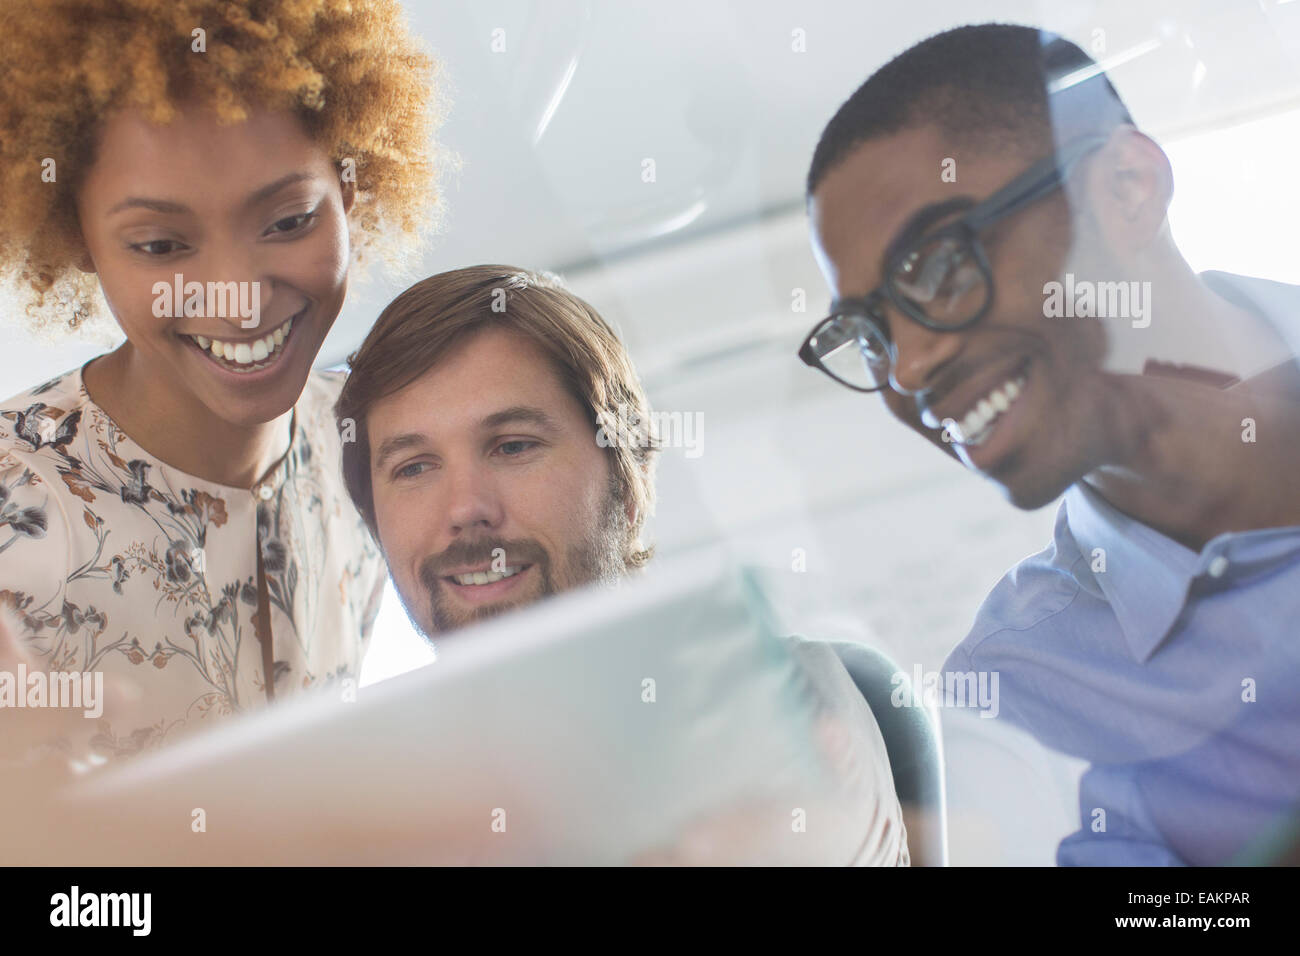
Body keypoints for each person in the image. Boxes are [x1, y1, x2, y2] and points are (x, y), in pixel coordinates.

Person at [802, 22, 1300, 864]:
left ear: (1127, 190)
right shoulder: (1018, 702)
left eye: (937, 264)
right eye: (869, 332)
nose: (912, 367)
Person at [334, 264, 912, 865]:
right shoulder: (358, 796)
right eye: (414, 468)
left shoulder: (777, 702)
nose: (465, 509)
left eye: (513, 446)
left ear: (627, 483)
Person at [0, 0, 441, 774]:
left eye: (289, 220)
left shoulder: (381, 440)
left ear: (354, 186)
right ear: (77, 238)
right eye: (162, 244)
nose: (237, 295)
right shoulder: (14, 511)